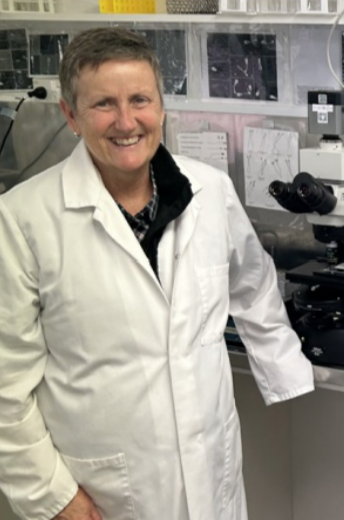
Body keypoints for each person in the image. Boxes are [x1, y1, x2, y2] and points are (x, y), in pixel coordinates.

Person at [0, 28, 314, 520]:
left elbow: (252, 284)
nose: (127, 122)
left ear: (161, 108)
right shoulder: (21, 219)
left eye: (140, 99)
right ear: (71, 116)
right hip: (101, 493)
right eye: (103, 104)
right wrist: (53, 497)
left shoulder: (210, 190)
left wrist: (282, 367)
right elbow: (4, 387)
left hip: (211, 473)